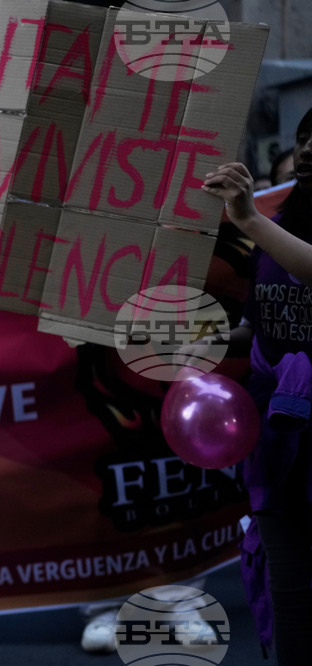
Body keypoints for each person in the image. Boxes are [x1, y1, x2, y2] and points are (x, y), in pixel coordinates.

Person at [201, 107, 312, 665]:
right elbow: (260, 326)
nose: (310, 148)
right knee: (292, 600)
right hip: (279, 442)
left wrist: (248, 219)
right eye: (304, 137)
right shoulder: (276, 231)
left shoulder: (262, 227)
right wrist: (207, 337)